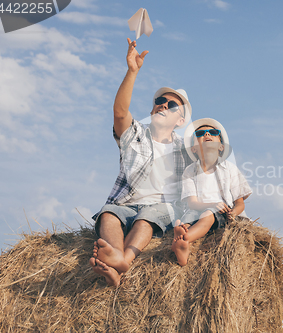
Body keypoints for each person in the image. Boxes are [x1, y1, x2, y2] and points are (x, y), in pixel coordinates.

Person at [89, 38, 192, 286]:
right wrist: (132, 71)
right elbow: (120, 113)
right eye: (159, 102)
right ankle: (116, 261)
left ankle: (125, 259)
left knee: (147, 216)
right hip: (125, 204)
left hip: (159, 209)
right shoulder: (135, 135)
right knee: (108, 214)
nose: (163, 106)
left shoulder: (186, 150)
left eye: (172, 105)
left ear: (180, 120)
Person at [171, 118, 252, 266]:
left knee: (207, 216)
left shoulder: (230, 169)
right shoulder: (190, 171)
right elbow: (192, 203)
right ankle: (182, 242)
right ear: (194, 148)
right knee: (190, 218)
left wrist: (233, 213)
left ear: (221, 146)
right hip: (198, 211)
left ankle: (185, 239)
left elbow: (240, 203)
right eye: (200, 133)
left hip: (223, 214)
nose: (207, 133)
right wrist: (213, 204)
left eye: (213, 132)